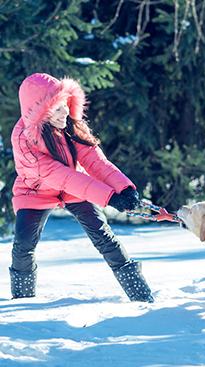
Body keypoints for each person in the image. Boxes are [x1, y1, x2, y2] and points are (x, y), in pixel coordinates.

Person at [10, 72, 154, 303]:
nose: (65, 112)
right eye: (56, 109)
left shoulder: (71, 126)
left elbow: (95, 160)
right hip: (35, 190)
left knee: (104, 236)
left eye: (65, 104)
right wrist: (108, 197)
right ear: (38, 112)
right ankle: (23, 301)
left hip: (75, 186)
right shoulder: (23, 140)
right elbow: (59, 175)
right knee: (24, 245)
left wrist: (123, 188)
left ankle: (141, 297)